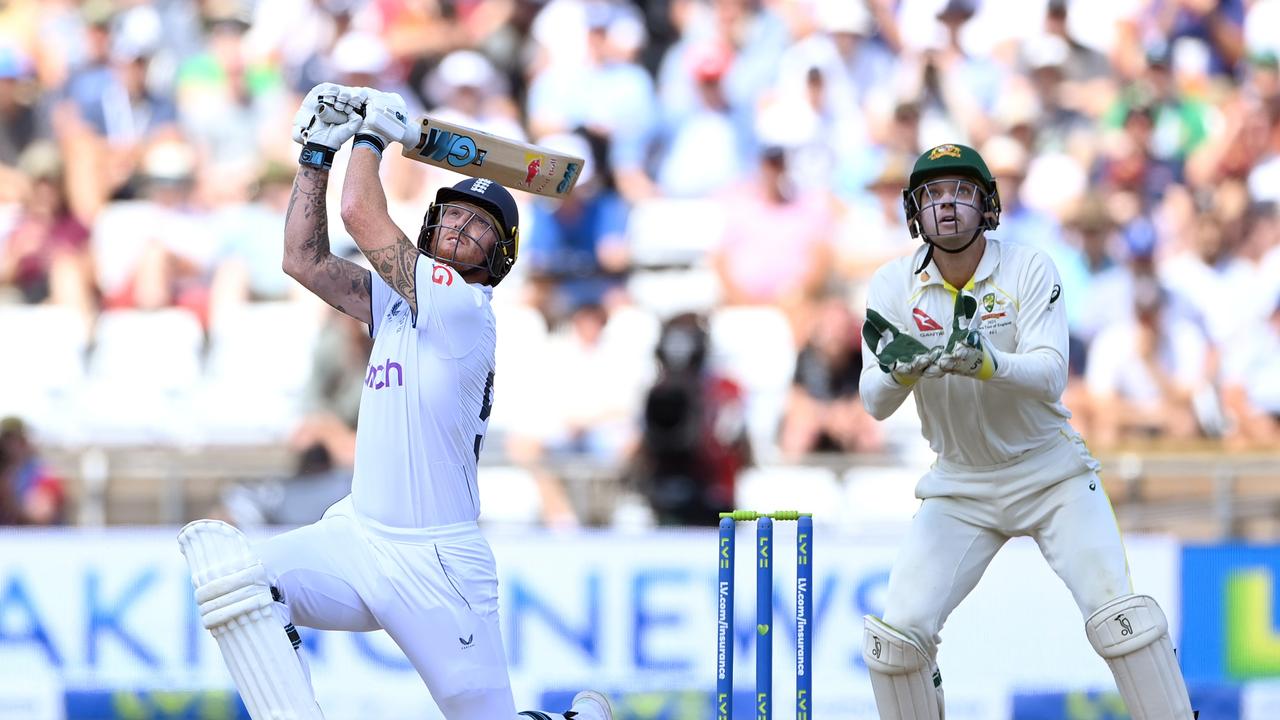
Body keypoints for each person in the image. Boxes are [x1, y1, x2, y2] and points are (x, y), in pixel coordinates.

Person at [176, 83, 612, 720]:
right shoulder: (396, 305)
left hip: (439, 565)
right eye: (456, 213)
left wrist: (373, 137)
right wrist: (317, 152)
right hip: (357, 536)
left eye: (482, 225)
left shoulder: (462, 308)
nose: (463, 226)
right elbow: (303, 260)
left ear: (500, 257)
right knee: (242, 584)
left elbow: (360, 212)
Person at [857, 143, 1195, 719]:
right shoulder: (892, 286)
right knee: (897, 641)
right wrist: (900, 369)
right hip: (960, 485)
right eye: (933, 194)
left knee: (1121, 618)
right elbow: (874, 402)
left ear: (987, 204)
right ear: (914, 210)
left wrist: (987, 362)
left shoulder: (1028, 268)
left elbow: (1051, 375)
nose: (947, 205)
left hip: (1049, 472)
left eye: (962, 191)